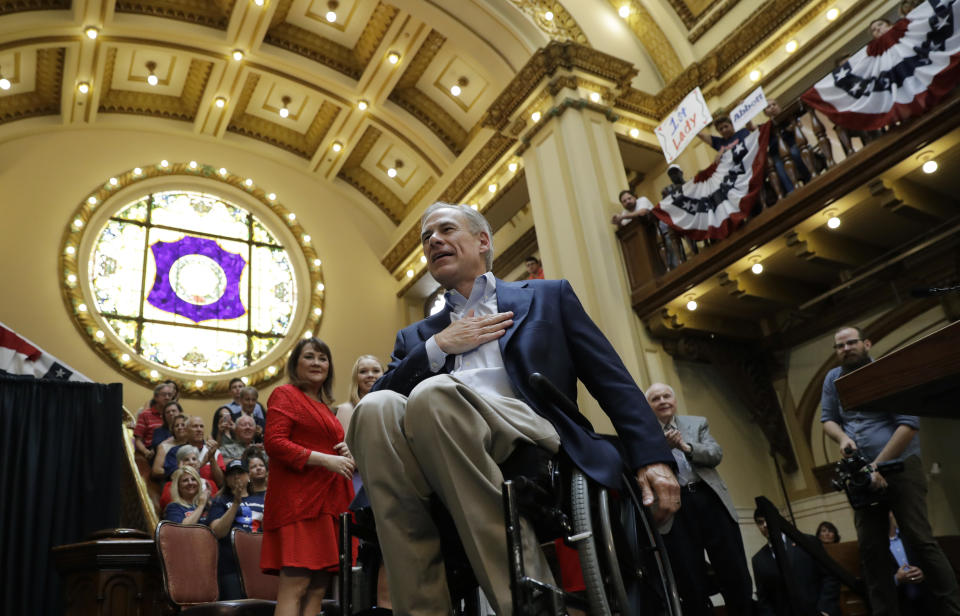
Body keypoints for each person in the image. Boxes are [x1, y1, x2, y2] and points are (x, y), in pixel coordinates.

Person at [347, 201, 679, 616]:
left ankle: (529, 605)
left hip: (526, 428)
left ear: (482, 240)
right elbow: (381, 394)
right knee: (376, 408)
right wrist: (438, 347)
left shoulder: (547, 296)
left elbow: (611, 379)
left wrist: (653, 457)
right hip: (431, 444)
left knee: (435, 397)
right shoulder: (417, 335)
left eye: (446, 230)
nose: (433, 241)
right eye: (426, 238)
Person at [821, 326, 960, 616]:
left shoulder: (886, 372)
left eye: (851, 343)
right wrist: (843, 439)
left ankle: (952, 608)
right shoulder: (832, 379)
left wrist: (877, 465)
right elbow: (828, 420)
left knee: (920, 540)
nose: (845, 349)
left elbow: (908, 425)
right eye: (839, 346)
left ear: (867, 344)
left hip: (900, 467)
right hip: (861, 475)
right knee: (871, 551)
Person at [261, 337, 355, 616]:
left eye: (323, 358)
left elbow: (331, 447)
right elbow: (275, 443)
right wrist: (326, 459)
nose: (317, 363)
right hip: (298, 504)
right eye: (310, 357)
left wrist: (346, 450)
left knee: (317, 588)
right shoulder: (285, 394)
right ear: (295, 364)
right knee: (296, 585)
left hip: (328, 504)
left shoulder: (326, 407)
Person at [644, 382, 753, 616]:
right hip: (674, 505)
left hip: (708, 499)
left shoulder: (697, 423)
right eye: (655, 399)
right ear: (648, 406)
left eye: (666, 396)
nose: (662, 401)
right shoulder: (643, 433)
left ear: (674, 401)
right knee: (690, 578)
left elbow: (715, 454)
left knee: (733, 571)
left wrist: (685, 446)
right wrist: (663, 446)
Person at [752, 508, 840, 616]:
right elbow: (763, 598)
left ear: (777, 520)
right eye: (760, 522)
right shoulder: (758, 560)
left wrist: (825, 609)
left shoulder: (807, 542)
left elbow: (830, 575)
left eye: (767, 520)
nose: (765, 525)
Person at [207, 459, 266, 599]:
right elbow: (217, 532)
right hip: (231, 567)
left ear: (248, 476)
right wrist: (235, 504)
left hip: (259, 565)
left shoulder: (262, 500)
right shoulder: (220, 501)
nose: (236, 477)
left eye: (240, 472)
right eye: (232, 474)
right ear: (226, 480)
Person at [763, 98, 812, 195]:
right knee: (777, 164)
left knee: (794, 152)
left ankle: (809, 177)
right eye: (768, 107)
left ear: (779, 106)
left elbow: (798, 126)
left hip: (795, 147)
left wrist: (792, 128)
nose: (772, 107)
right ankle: (791, 191)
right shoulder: (766, 127)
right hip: (778, 155)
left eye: (774, 104)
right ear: (765, 113)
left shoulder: (788, 116)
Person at [163, 416, 225, 486]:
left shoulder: (214, 451)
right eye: (195, 426)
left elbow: (220, 483)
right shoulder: (175, 451)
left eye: (201, 426)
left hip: (211, 492)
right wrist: (202, 463)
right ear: (186, 430)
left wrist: (212, 459)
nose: (199, 429)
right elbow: (174, 477)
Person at [159, 444, 219, 512]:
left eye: (194, 459)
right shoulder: (170, 486)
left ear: (198, 462)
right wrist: (179, 476)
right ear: (179, 464)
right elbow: (168, 506)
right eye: (186, 460)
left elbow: (217, 508)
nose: (191, 462)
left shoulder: (210, 484)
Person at [335, 354, 385, 437]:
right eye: (363, 371)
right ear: (356, 378)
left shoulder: (391, 408)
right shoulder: (347, 409)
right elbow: (344, 446)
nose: (370, 375)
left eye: (376, 371)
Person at [133, 381, 175, 461]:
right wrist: (146, 452)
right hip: (151, 453)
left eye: (169, 395)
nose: (167, 397)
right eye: (164, 395)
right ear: (156, 397)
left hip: (171, 452)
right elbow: (138, 440)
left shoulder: (173, 415)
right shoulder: (145, 415)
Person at [152, 412, 189, 481]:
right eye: (176, 426)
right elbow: (156, 471)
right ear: (173, 430)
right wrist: (177, 472)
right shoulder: (164, 446)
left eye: (183, 425)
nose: (180, 427)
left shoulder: (194, 444)